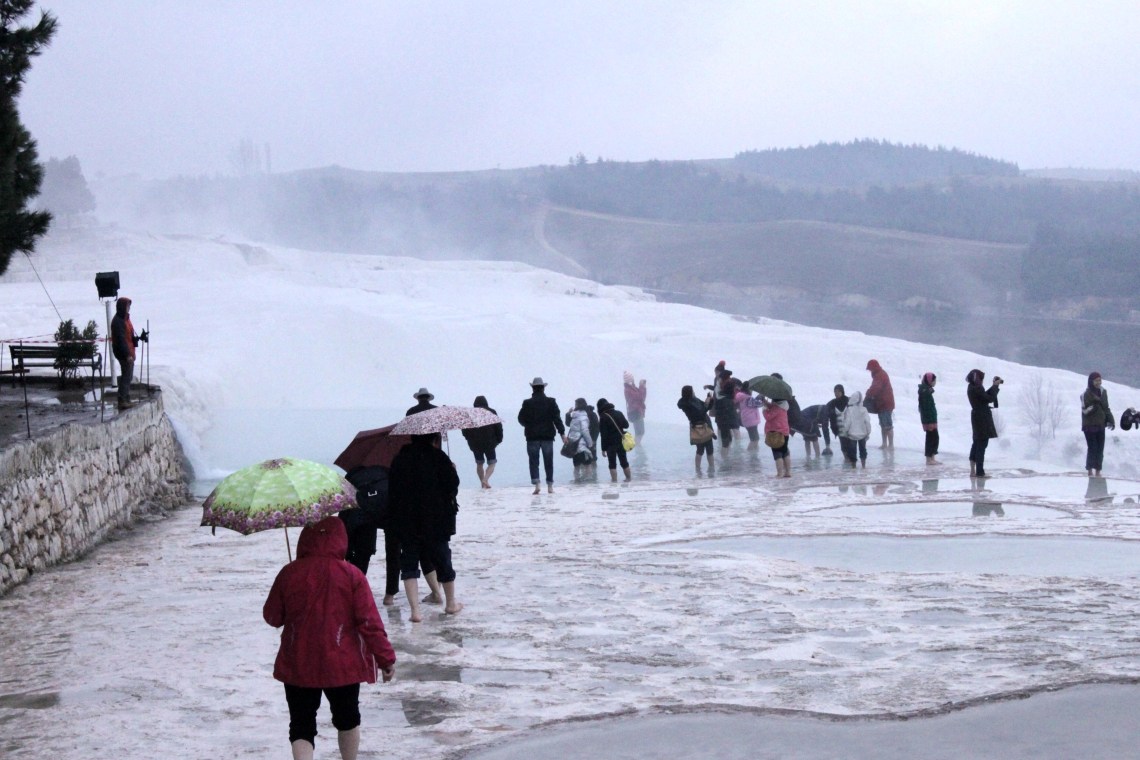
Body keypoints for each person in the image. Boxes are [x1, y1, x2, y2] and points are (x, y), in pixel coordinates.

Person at [263, 516, 396, 760]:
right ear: (341, 540)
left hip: (298, 661)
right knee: (348, 719)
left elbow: (272, 617)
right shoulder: (352, 575)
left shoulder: (289, 573)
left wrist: (290, 583)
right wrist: (385, 659)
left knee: (301, 724)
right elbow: (369, 623)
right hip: (342, 663)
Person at [387, 433, 462, 622]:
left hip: (407, 521)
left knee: (409, 563)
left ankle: (415, 612)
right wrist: (452, 470)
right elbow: (452, 486)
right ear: (434, 438)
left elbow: (393, 490)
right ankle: (450, 603)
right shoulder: (439, 457)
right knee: (442, 559)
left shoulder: (400, 460)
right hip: (436, 521)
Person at [518, 377, 567, 494]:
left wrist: (528, 425)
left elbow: (520, 419)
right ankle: (550, 486)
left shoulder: (527, 403)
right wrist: (562, 434)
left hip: (532, 437)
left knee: (534, 461)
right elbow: (557, 419)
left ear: (533, 388)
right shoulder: (551, 402)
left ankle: (537, 484)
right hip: (547, 436)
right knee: (548, 461)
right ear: (543, 388)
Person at [110, 296, 145, 411]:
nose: (129, 308)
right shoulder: (118, 321)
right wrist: (127, 355)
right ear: (122, 307)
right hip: (124, 352)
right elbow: (120, 340)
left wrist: (138, 338)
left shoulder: (125, 319)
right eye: (127, 306)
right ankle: (122, 400)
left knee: (128, 376)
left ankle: (126, 398)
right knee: (126, 376)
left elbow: (128, 336)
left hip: (129, 350)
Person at [461, 395, 503, 488]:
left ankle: (482, 483)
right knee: (492, 463)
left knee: (479, 463)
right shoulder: (491, 412)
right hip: (490, 442)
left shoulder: (470, 413)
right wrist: (499, 439)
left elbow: (464, 429)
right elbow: (498, 426)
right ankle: (485, 480)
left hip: (475, 443)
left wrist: (468, 438)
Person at [966, 369, 1002, 478]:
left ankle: (973, 470)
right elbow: (989, 398)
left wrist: (993, 386)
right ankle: (980, 472)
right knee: (982, 444)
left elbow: (984, 397)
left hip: (976, 416)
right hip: (982, 417)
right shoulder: (977, 388)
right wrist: (995, 387)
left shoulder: (971, 387)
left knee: (976, 442)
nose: (982, 381)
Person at [1081, 371, 1115, 477]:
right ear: (1091, 381)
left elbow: (1106, 408)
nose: (1098, 382)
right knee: (1093, 448)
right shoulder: (1085, 394)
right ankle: (1090, 469)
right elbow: (1084, 410)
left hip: (1101, 425)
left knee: (1100, 448)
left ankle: (1098, 470)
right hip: (1089, 426)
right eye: (1096, 380)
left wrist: (1111, 420)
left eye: (1100, 380)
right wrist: (1093, 407)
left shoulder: (1103, 392)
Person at [678, 385, 715, 475]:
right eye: (692, 391)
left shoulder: (692, 401)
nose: (694, 392)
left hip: (702, 427)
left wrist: (710, 400)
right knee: (705, 450)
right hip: (701, 427)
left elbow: (705, 407)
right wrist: (707, 403)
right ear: (690, 393)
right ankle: (706, 471)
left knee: (702, 450)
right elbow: (701, 412)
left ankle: (702, 471)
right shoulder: (688, 404)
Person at [597, 398, 632, 482]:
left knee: (612, 464)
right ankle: (629, 479)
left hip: (610, 444)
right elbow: (626, 425)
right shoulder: (618, 413)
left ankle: (614, 482)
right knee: (624, 462)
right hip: (621, 441)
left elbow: (603, 435)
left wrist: (603, 449)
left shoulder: (603, 417)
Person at [865, 359, 896, 450]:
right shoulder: (877, 374)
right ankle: (884, 443)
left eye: (870, 368)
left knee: (887, 425)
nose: (869, 371)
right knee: (883, 425)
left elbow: (876, 388)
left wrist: (868, 394)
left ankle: (891, 445)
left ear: (874, 367)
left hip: (886, 403)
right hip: (881, 403)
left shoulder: (880, 375)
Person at [838, 391, 872, 467]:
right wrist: (868, 432)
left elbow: (847, 422)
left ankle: (853, 467)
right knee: (863, 450)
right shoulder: (864, 409)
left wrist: (845, 431)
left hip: (852, 435)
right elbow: (867, 422)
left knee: (852, 452)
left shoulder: (849, 410)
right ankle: (863, 466)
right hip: (863, 435)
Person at [565, 397, 596, 479]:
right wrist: (590, 444)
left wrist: (568, 413)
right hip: (582, 446)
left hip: (574, 445)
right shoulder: (583, 417)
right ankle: (588, 483)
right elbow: (585, 431)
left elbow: (570, 428)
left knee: (576, 467)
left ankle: (577, 483)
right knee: (588, 466)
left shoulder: (574, 416)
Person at [762, 396, 792, 477]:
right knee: (785, 452)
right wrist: (766, 402)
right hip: (785, 433)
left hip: (776, 434)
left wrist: (764, 409)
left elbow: (768, 417)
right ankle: (788, 472)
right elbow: (772, 406)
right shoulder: (783, 406)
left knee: (777, 454)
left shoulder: (777, 408)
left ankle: (780, 473)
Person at [918, 372, 940, 465]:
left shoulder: (927, 390)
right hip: (929, 419)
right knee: (931, 438)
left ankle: (932, 457)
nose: (935, 382)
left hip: (931, 418)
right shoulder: (925, 392)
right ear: (930, 381)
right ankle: (929, 458)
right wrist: (929, 420)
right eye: (934, 380)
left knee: (934, 437)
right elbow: (925, 408)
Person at [734, 383, 763, 450]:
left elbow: (754, 403)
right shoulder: (748, 398)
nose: (752, 391)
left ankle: (754, 454)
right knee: (755, 440)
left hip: (747, 420)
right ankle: (749, 454)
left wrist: (759, 397)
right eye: (751, 389)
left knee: (754, 439)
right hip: (751, 420)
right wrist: (762, 397)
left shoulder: (743, 397)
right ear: (748, 389)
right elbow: (758, 404)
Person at [623, 372, 647, 443]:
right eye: (632, 378)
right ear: (629, 380)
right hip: (635, 412)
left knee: (640, 432)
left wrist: (643, 387)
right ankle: (636, 445)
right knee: (639, 432)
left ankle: (637, 444)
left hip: (637, 411)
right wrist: (641, 386)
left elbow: (642, 398)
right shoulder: (628, 389)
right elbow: (640, 397)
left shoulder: (632, 388)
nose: (633, 379)